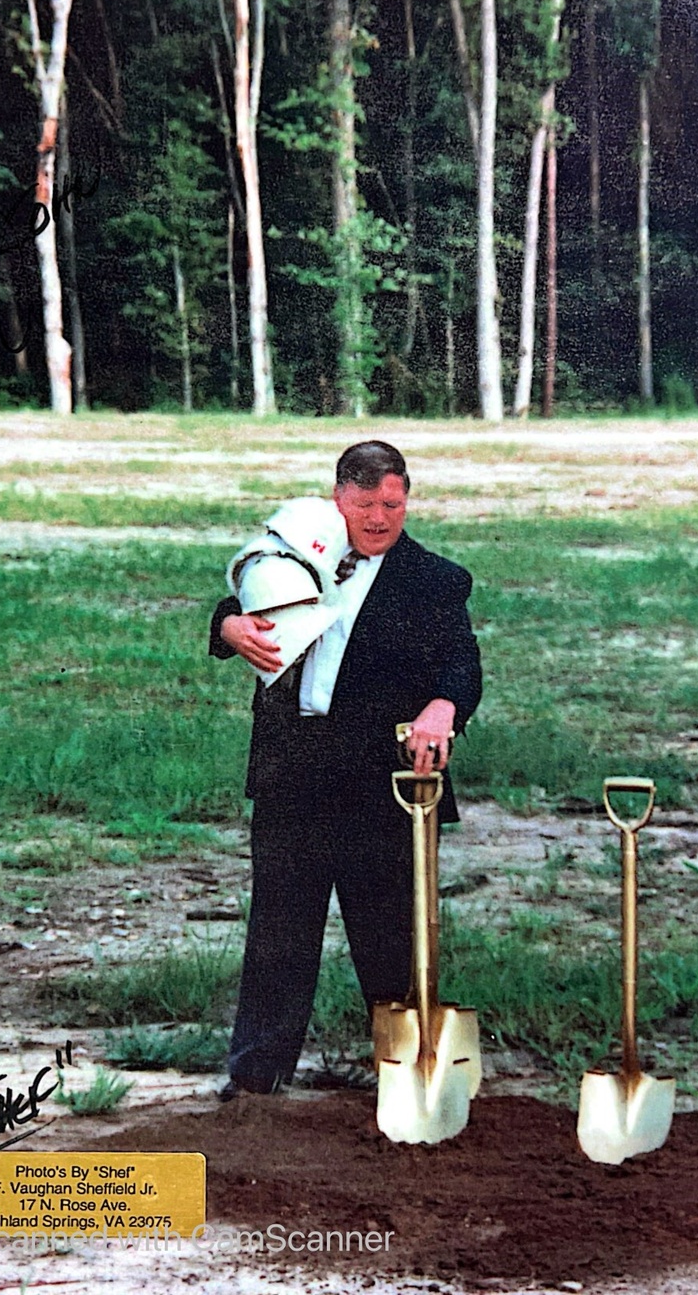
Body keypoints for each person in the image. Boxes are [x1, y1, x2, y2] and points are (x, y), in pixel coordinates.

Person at [209, 440, 483, 1096]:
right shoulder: (303, 550)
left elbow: (461, 666)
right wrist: (228, 630)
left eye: (393, 503)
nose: (381, 517)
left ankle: (407, 1076)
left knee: (388, 933)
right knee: (280, 928)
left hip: (382, 780)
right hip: (294, 771)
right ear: (339, 500)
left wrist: (443, 709)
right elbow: (242, 600)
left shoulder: (438, 580)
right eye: (365, 504)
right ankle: (256, 1076)